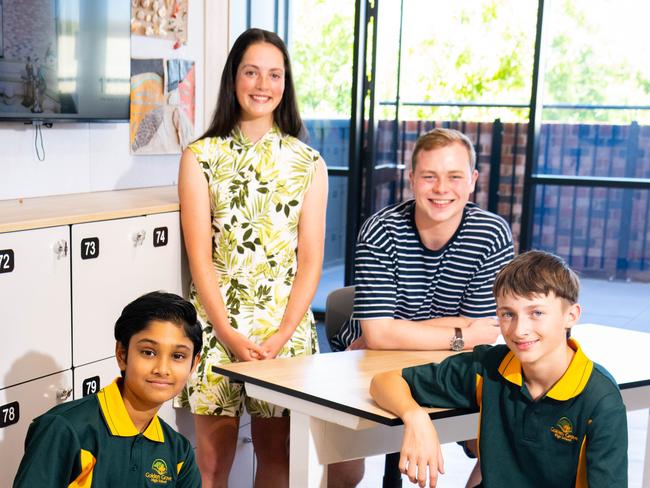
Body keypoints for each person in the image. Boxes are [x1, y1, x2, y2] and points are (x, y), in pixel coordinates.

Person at [173, 28, 328, 488]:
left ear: (286, 84)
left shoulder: (309, 162)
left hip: (286, 330)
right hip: (218, 328)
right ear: (233, 79)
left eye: (274, 74)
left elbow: (311, 260)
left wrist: (281, 335)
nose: (263, 84)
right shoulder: (200, 157)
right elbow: (199, 255)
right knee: (212, 464)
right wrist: (224, 331)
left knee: (278, 459)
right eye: (252, 72)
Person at [328, 128, 514, 487]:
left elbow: (486, 330)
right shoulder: (380, 231)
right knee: (343, 466)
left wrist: (398, 329)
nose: (441, 189)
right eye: (429, 176)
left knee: (502, 436)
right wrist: (461, 332)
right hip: (367, 362)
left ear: (473, 181)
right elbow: (377, 336)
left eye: (454, 177)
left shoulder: (491, 234)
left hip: (448, 363)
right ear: (411, 180)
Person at [370, 251, 628, 488]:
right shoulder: (490, 367)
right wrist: (415, 418)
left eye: (536, 313)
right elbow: (385, 381)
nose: (519, 329)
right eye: (508, 314)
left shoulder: (599, 398)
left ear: (571, 316)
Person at [13, 291, 203, 487]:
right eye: (148, 352)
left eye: (178, 356)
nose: (162, 369)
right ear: (122, 355)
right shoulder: (65, 429)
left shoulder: (179, 453)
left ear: (194, 363)